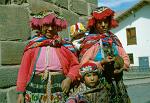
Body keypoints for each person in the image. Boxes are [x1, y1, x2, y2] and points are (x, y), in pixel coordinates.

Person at [16, 10, 80, 103]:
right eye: (46, 25)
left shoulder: (65, 46)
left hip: (60, 85)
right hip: (35, 86)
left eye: (53, 26)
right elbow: (24, 69)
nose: (50, 29)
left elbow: (75, 65)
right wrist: (21, 93)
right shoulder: (32, 46)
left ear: (58, 27)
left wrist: (69, 79)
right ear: (40, 26)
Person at [79, 6, 131, 103]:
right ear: (94, 24)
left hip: (118, 83)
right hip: (100, 84)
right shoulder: (91, 41)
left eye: (106, 22)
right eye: (100, 22)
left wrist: (122, 67)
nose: (103, 25)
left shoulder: (114, 39)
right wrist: (101, 62)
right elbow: (83, 63)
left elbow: (125, 57)